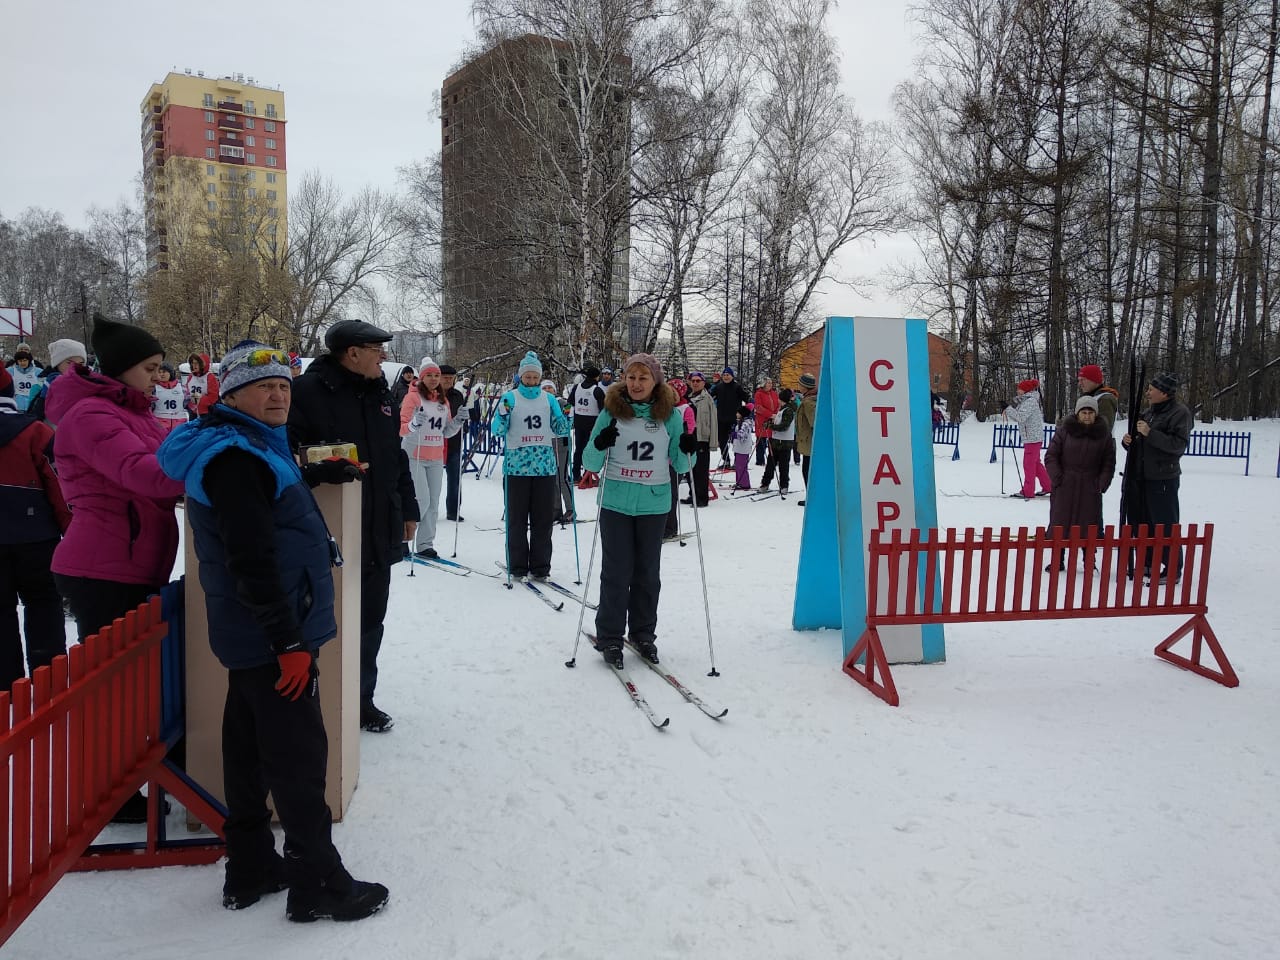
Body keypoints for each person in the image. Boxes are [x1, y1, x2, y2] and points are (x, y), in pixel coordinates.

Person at [157, 341, 389, 923]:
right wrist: (287, 644)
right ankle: (318, 881)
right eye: (264, 387)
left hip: (252, 632)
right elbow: (252, 558)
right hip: (272, 633)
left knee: (247, 745)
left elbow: (266, 506)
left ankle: (252, 863)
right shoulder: (237, 458)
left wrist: (312, 469)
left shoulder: (247, 446)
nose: (278, 395)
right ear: (231, 395)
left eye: (284, 386)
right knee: (298, 756)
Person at [45, 316, 184, 824]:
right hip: (101, 569)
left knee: (135, 687)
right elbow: (145, 474)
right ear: (122, 368)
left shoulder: (134, 413)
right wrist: (208, 465)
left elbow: (170, 452)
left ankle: (124, 783)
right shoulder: (90, 416)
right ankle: (107, 795)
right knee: (113, 691)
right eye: (149, 368)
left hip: (131, 563)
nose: (158, 377)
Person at [288, 319, 419, 734]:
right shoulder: (307, 393)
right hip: (330, 528)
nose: (383, 356)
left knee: (370, 620)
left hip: (378, 526)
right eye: (376, 348)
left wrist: (409, 507)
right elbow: (291, 454)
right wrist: (319, 467)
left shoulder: (380, 393)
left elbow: (394, 456)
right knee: (325, 619)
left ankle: (361, 700)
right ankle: (318, 701)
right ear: (352, 353)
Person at [582, 354, 694, 668]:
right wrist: (600, 443)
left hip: (654, 504)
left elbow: (682, 464)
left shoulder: (669, 415)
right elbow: (590, 464)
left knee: (647, 575)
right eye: (631, 377)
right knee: (616, 573)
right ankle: (610, 637)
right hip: (616, 502)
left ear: (654, 381)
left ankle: (644, 635)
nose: (636, 384)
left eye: (643, 378)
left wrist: (688, 448)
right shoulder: (611, 411)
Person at [0, 365, 71, 690]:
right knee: (44, 603)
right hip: (37, 539)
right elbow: (60, 488)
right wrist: (71, 531)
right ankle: (50, 683)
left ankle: (6, 689)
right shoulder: (37, 432)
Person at [490, 352, 570, 579]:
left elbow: (561, 429)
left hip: (544, 467)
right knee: (516, 521)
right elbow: (497, 430)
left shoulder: (549, 399)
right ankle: (517, 566)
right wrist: (503, 415)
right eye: (528, 377)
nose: (532, 381)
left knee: (542, 522)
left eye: (535, 377)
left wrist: (567, 416)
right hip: (517, 468)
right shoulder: (510, 397)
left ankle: (540, 567)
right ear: (521, 376)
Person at [1121, 372, 1192, 582]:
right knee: (1144, 523)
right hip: (1142, 476)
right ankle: (1148, 563)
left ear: (1164, 393)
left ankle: (1172, 568)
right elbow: (1141, 443)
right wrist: (1129, 443)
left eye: (1151, 389)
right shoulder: (1149, 412)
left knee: (1164, 523)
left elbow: (1178, 445)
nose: (1148, 393)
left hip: (1163, 478)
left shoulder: (1180, 414)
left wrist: (1150, 433)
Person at [399, 357, 465, 559]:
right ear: (422, 377)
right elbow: (401, 428)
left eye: (437, 375)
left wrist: (459, 421)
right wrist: (414, 424)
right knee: (421, 500)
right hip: (414, 455)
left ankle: (425, 544)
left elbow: (445, 431)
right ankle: (402, 538)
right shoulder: (412, 398)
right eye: (430, 375)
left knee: (433, 503)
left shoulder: (442, 400)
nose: (434, 379)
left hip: (435, 456)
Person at [1044, 395, 1116, 571]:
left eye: (1090, 412)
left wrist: (1101, 483)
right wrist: (1057, 477)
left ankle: (1089, 560)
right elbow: (1051, 456)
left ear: (1096, 414)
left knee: (1089, 524)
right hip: (1065, 485)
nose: (1087, 415)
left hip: (1090, 486)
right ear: (1077, 414)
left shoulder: (1103, 435)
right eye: (1083, 412)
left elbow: (1108, 462)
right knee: (1060, 522)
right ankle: (1057, 559)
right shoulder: (1064, 431)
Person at [1003, 379, 1051, 500]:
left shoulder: (1030, 402)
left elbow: (1020, 417)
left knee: (1028, 464)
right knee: (1035, 464)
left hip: (1032, 438)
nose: (1017, 390)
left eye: (1019, 388)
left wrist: (1008, 408)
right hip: (1032, 437)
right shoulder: (1027, 401)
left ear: (1025, 390)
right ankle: (1048, 486)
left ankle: (1028, 491)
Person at [664, 377, 697, 537]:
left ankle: (670, 528)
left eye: (673, 393)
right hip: (660, 459)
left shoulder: (685, 409)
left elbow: (689, 429)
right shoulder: (661, 408)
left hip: (676, 459)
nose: (670, 396)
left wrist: (683, 438)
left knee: (671, 494)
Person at [26, 338, 86, 424]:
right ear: (57, 363)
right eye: (69, 363)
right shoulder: (41, 385)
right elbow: (32, 418)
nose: (75, 367)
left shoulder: (87, 385)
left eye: (80, 364)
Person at [543, 379, 575, 522]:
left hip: (561, 441)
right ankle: (556, 509)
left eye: (550, 388)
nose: (548, 390)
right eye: (545, 388)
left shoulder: (561, 402)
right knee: (552, 478)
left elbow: (568, 422)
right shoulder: (541, 404)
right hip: (547, 443)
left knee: (561, 477)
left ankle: (570, 509)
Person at [684, 371, 718, 507]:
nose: (695, 383)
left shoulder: (707, 399)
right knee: (689, 469)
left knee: (701, 470)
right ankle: (693, 494)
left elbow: (714, 421)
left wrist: (713, 442)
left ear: (703, 383)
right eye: (693, 381)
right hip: (689, 438)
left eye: (698, 381)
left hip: (702, 438)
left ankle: (702, 498)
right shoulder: (687, 398)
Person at [568, 364, 605, 483]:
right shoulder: (597, 390)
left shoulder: (577, 387)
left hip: (579, 422)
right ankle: (587, 475)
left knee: (578, 449)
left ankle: (576, 475)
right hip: (592, 424)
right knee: (590, 450)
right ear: (596, 377)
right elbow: (603, 409)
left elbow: (571, 401)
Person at [439, 363, 466, 522]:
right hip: (434, 441)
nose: (448, 380)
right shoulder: (432, 394)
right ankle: (427, 510)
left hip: (454, 441)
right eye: (445, 377)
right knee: (431, 479)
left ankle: (453, 510)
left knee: (455, 477)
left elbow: (461, 413)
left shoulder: (457, 395)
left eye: (451, 378)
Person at [759, 388, 797, 494]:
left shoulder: (788, 410)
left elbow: (784, 426)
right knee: (770, 465)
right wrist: (769, 423)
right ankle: (765, 484)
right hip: (775, 441)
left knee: (783, 466)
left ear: (781, 399)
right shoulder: (782, 409)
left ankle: (784, 486)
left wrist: (771, 426)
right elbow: (778, 421)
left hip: (784, 443)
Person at [712, 366, 749, 467]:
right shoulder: (718, 387)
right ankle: (726, 460)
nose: (726, 377)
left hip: (734, 419)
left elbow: (747, 399)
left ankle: (738, 461)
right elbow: (710, 397)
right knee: (723, 441)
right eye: (724, 375)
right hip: (721, 419)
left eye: (728, 375)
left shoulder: (737, 387)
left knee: (736, 442)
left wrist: (744, 412)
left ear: (732, 376)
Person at [795, 372, 818, 506]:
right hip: (809, 442)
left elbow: (814, 422)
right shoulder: (810, 398)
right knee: (808, 469)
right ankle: (812, 496)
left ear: (805, 386)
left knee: (808, 470)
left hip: (809, 443)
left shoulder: (809, 401)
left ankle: (812, 497)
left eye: (800, 384)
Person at [1076, 364, 1119, 436]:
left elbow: (1103, 429)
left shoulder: (1105, 399)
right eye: (1079, 380)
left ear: (1094, 380)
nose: (1080, 384)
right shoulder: (1090, 397)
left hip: (1100, 446)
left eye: (1083, 380)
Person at [152, 362, 188, 435]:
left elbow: (188, 404)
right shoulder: (154, 388)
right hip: (159, 424)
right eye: (159, 372)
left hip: (179, 424)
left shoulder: (182, 387)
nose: (161, 374)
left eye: (164, 372)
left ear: (170, 373)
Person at [7, 343, 44, 412]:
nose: (23, 351)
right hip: (16, 405)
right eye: (21, 349)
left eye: (26, 349)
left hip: (32, 406)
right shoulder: (10, 370)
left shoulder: (38, 370)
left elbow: (44, 387)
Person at [752, 377, 779, 467]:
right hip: (762, 420)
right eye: (768, 383)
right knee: (761, 440)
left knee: (772, 440)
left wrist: (775, 414)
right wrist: (770, 414)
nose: (770, 384)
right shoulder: (758, 394)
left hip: (773, 420)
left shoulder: (774, 394)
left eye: (771, 383)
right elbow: (759, 407)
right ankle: (760, 460)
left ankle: (773, 459)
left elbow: (778, 405)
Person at [185, 352, 220, 417]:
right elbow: (187, 392)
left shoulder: (210, 377)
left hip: (207, 412)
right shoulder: (190, 376)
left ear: (202, 364)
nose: (194, 365)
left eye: (196, 363)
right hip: (193, 412)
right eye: (192, 363)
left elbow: (213, 397)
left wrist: (198, 399)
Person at [729, 407, 755, 492]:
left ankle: (745, 484)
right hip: (739, 448)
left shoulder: (745, 424)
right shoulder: (741, 422)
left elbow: (742, 436)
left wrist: (734, 434)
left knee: (741, 466)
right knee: (738, 466)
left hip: (743, 449)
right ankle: (739, 482)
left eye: (738, 413)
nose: (736, 414)